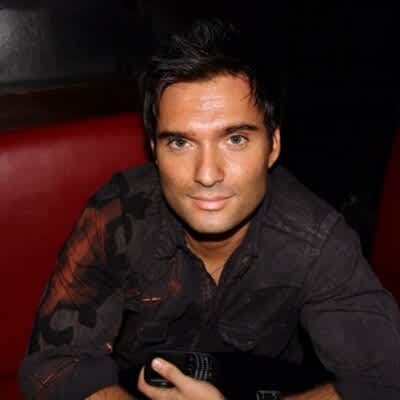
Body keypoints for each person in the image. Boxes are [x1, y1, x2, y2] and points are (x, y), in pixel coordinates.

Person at [18, 18, 400, 400]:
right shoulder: (118, 218)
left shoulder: (315, 241)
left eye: (235, 139)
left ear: (273, 145)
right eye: (180, 143)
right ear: (154, 149)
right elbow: (53, 364)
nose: (206, 174)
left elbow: (384, 379)